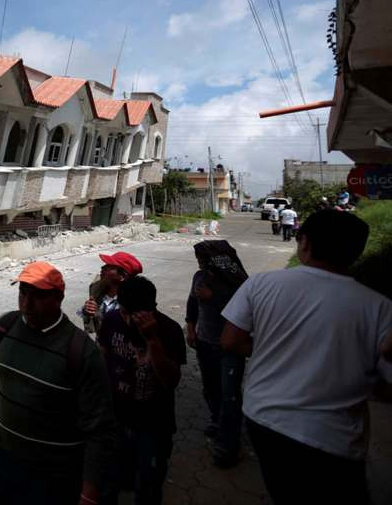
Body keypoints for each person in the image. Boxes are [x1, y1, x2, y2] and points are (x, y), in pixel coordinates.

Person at [221, 209, 392, 504]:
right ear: (357, 252)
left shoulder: (260, 284)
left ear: (305, 243)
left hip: (264, 418)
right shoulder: (380, 308)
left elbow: (230, 340)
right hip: (333, 436)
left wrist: (272, 349)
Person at [0, 261, 117, 505]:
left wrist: (89, 493)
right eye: (23, 294)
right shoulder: (5, 327)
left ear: (59, 298)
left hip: (52, 474)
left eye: (38, 296)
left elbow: (99, 430)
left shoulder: (81, 351)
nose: (27, 304)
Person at [99, 276, 186, 505]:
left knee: (148, 486)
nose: (128, 321)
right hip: (116, 420)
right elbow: (103, 358)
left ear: (151, 309)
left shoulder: (169, 330)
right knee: (109, 482)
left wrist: (153, 340)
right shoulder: (111, 320)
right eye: (125, 313)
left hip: (153, 425)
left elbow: (170, 381)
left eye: (135, 315)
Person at [184, 240, 249, 467]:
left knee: (229, 392)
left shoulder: (237, 281)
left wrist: (214, 297)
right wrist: (191, 328)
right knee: (210, 387)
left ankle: (228, 444)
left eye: (203, 258)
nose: (200, 262)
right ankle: (216, 419)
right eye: (198, 259)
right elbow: (192, 303)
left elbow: (245, 307)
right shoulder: (198, 277)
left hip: (230, 347)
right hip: (205, 342)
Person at [81, 251, 143, 335]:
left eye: (109, 266)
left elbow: (127, 331)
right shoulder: (97, 288)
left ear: (122, 276)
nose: (103, 267)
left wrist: (98, 314)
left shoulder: (134, 301)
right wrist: (87, 312)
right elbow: (91, 327)